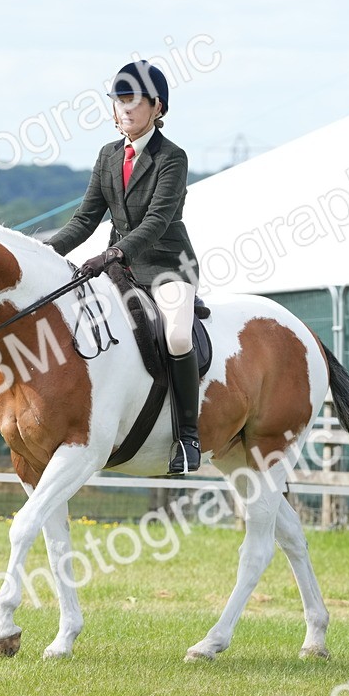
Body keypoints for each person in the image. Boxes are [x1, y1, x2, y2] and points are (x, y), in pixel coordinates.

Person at [47, 60, 202, 475]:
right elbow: (84, 221)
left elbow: (157, 221)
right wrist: (41, 251)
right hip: (119, 271)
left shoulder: (172, 158)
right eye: (119, 101)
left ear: (157, 107)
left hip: (167, 267)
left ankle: (187, 437)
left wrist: (114, 253)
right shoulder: (108, 156)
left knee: (177, 334)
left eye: (134, 101)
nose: (126, 109)